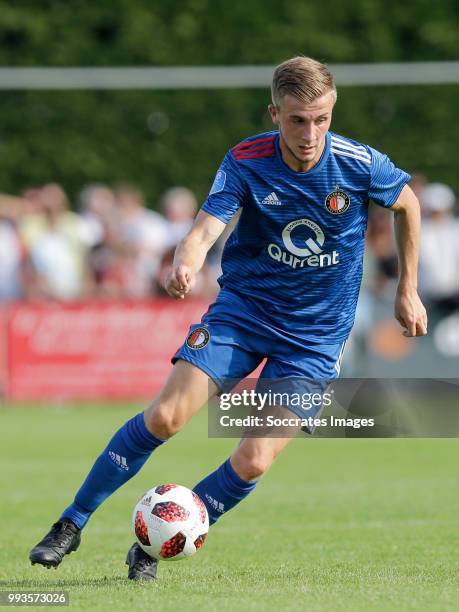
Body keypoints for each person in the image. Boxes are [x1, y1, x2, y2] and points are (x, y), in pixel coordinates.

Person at [29, 56, 427, 580]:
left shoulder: (359, 163)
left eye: (321, 119)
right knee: (167, 417)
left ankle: (151, 547)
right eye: (296, 120)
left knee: (255, 460)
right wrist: (186, 260)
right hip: (245, 313)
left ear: (332, 113)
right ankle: (71, 524)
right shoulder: (246, 159)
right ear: (274, 114)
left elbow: (408, 204)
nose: (310, 133)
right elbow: (205, 226)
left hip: (314, 337)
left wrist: (408, 288)